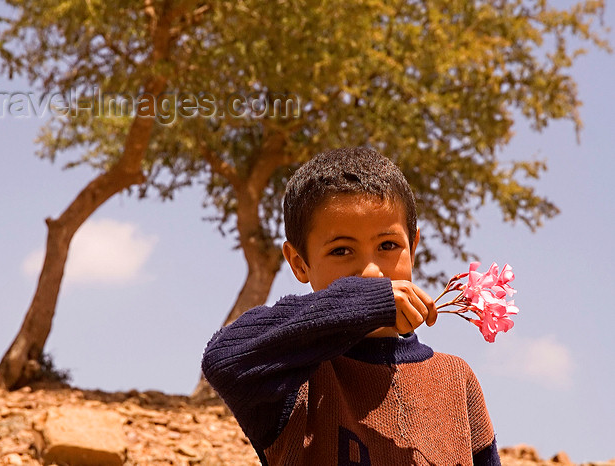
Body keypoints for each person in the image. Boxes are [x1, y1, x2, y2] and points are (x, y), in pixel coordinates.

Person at [201, 147, 501, 465]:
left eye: (388, 245)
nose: (372, 272)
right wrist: (368, 301)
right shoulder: (294, 380)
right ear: (299, 264)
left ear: (413, 247)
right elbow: (224, 358)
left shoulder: (455, 379)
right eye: (342, 251)